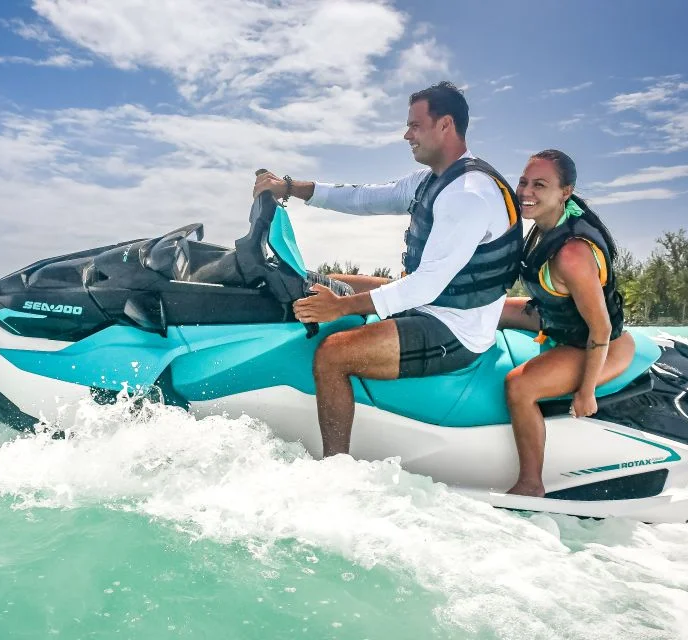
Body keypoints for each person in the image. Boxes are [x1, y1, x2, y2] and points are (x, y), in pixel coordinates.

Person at [253, 81, 522, 458]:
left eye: (415, 125)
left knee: (332, 354)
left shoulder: (468, 194)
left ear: (445, 125)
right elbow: (364, 197)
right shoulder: (432, 179)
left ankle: (334, 468)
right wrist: (290, 187)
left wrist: (341, 308)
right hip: (434, 303)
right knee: (333, 281)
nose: (407, 135)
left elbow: (425, 286)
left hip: (456, 328)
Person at [499, 149, 634, 497]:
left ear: (565, 192)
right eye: (524, 182)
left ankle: (531, 484)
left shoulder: (572, 253)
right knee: (489, 311)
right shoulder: (543, 227)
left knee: (519, 386)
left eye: (540, 185)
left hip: (597, 343)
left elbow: (600, 328)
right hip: (554, 319)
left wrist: (586, 392)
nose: (526, 191)